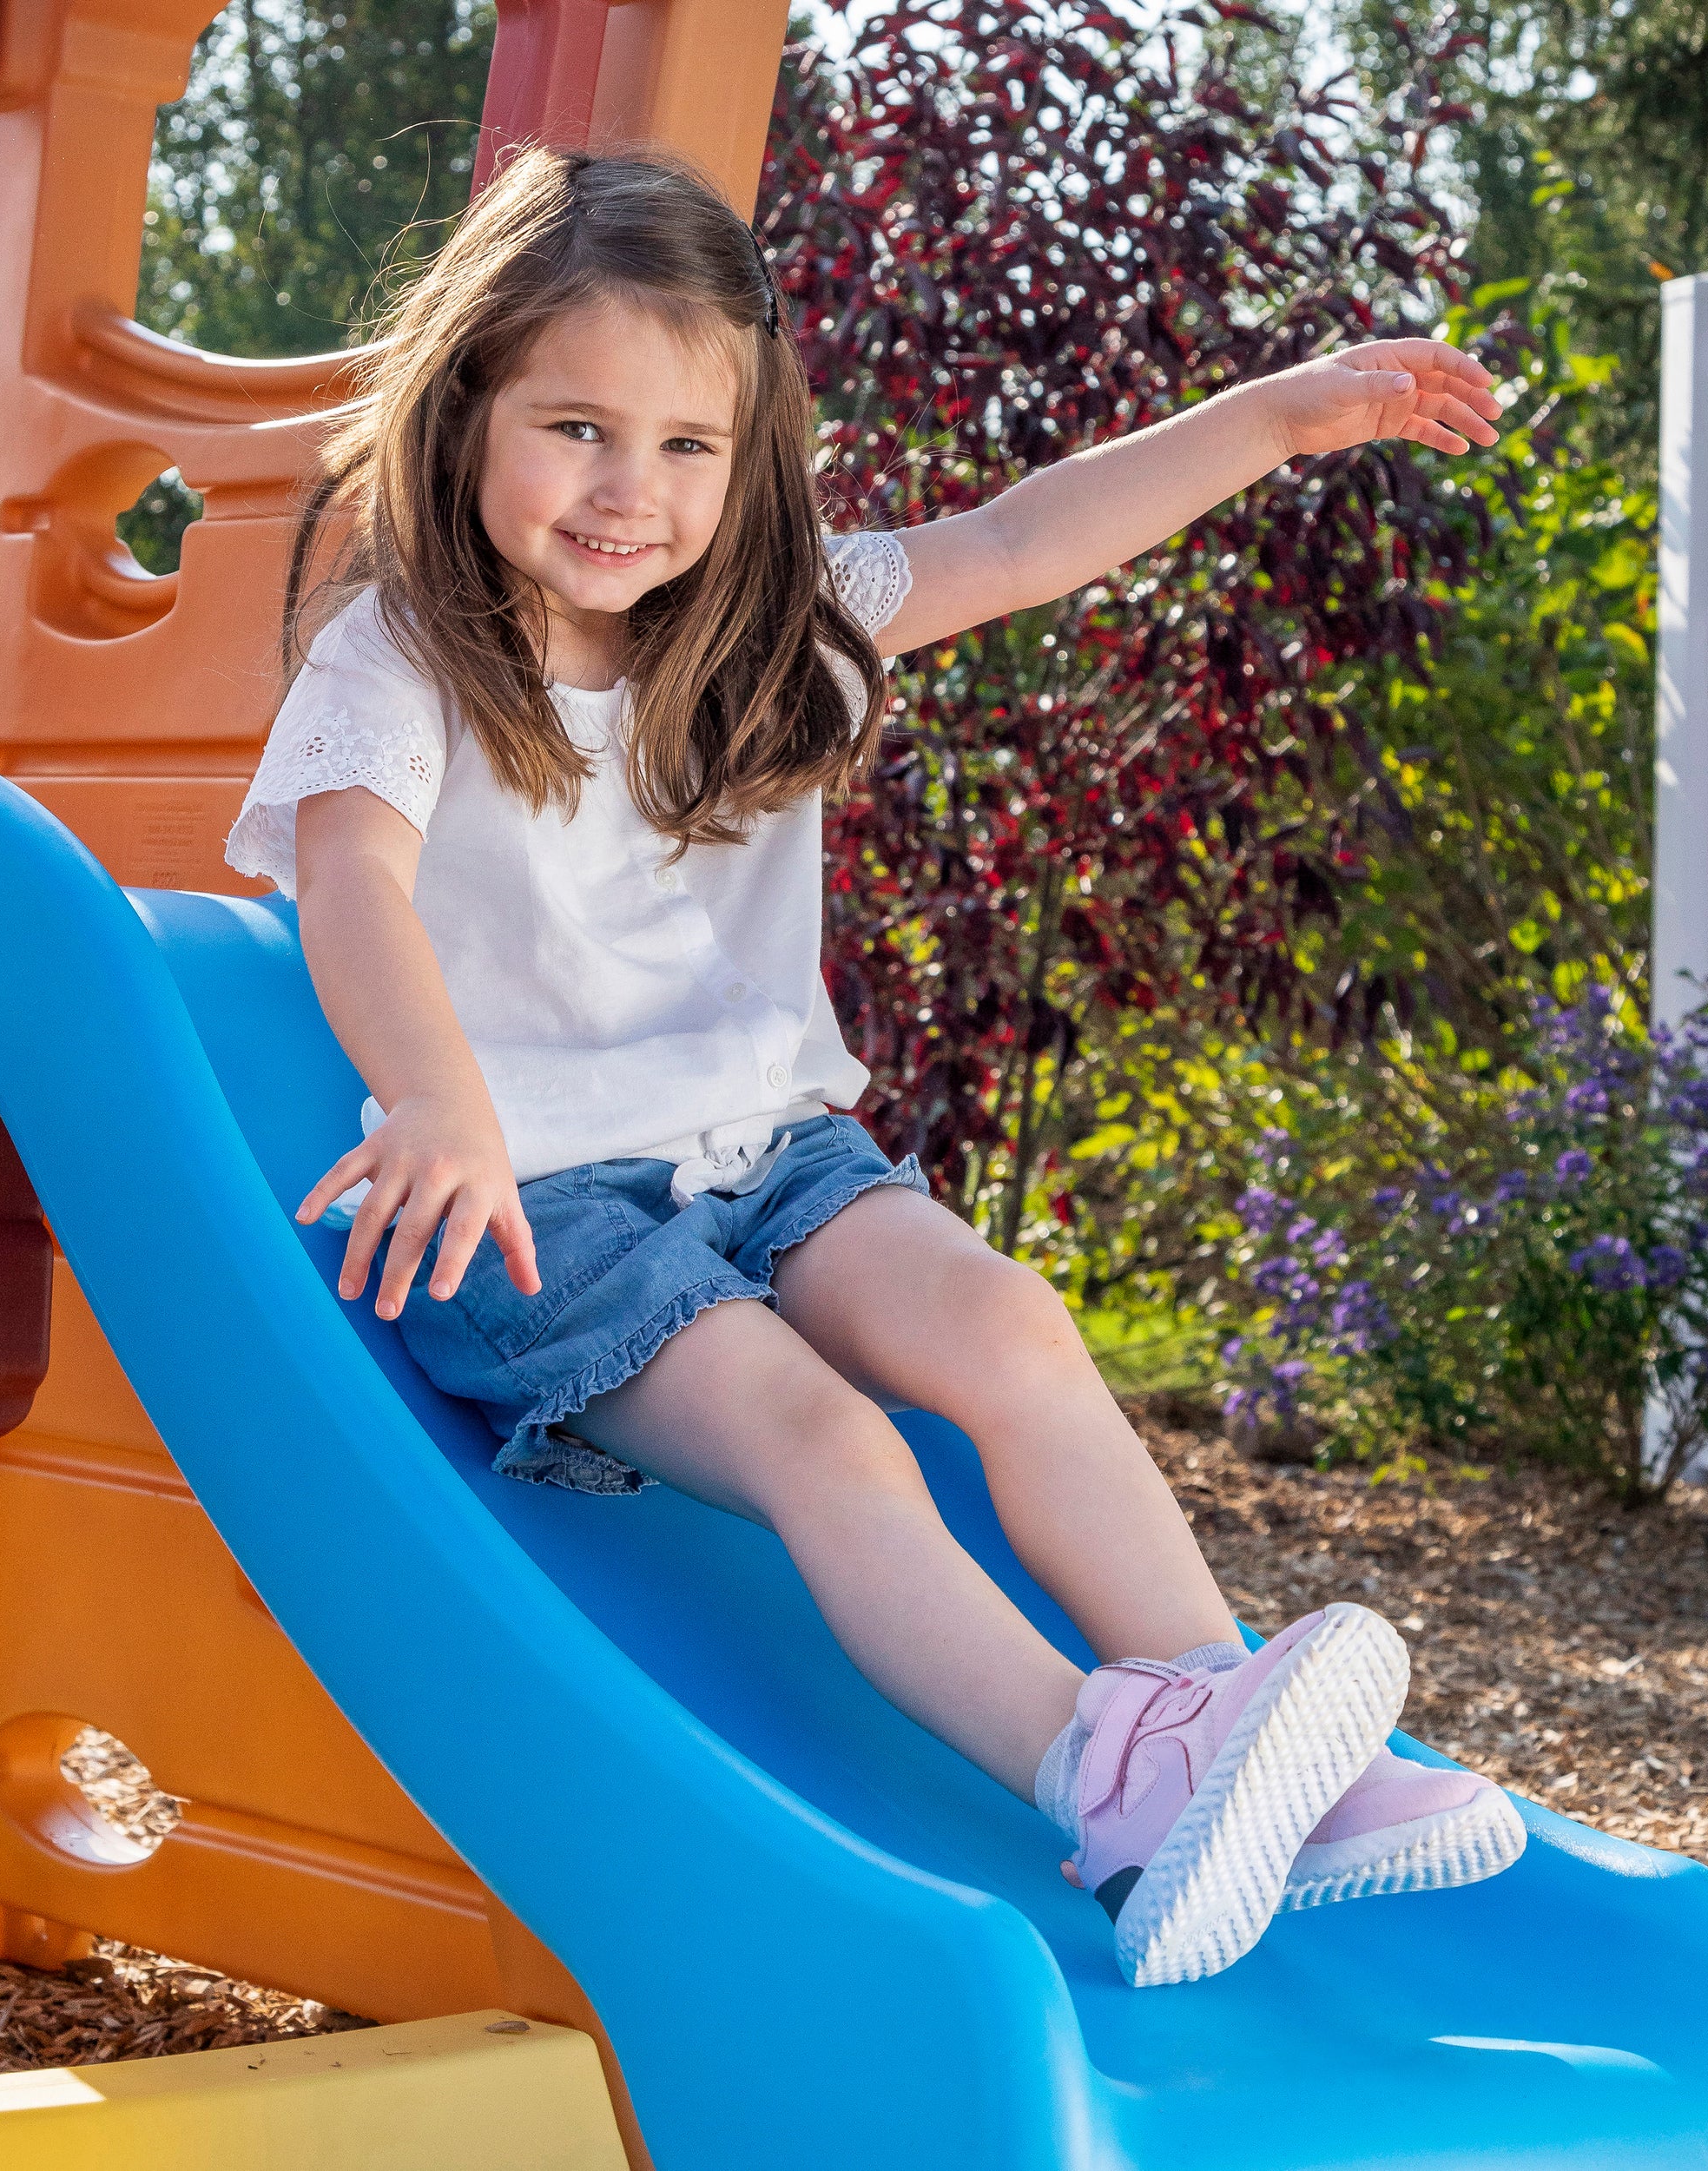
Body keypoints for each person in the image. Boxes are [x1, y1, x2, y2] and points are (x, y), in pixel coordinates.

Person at [227, 145, 1526, 1988]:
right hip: (534, 1206)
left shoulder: (766, 626)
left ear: (747, 452)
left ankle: (1230, 1729)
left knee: (1006, 1325)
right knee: (823, 1437)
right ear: (466, 414)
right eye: (576, 428)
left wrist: (1272, 419)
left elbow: (1016, 541)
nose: (629, 488)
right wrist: (436, 1098)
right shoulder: (406, 654)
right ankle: (1103, 1784)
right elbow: (353, 877)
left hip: (766, 1156)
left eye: (686, 444)